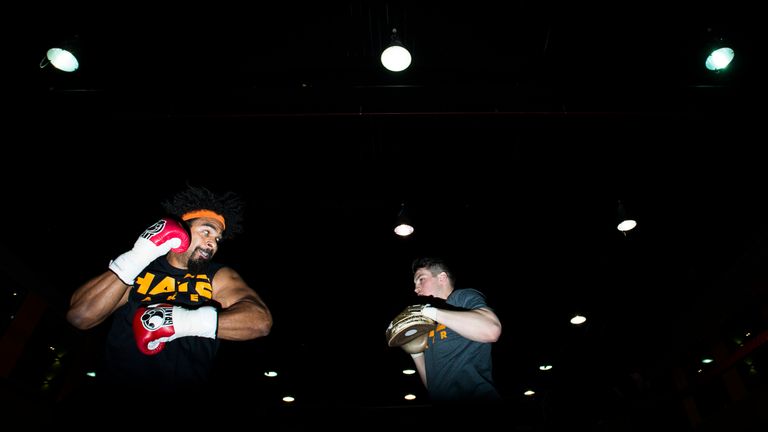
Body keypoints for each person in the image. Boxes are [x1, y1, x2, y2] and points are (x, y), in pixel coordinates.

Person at [66, 185, 272, 398]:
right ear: (181, 230)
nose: (212, 243)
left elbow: (259, 321)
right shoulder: (140, 268)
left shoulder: (217, 276)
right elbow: (80, 316)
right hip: (115, 393)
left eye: (218, 239)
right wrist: (138, 256)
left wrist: (180, 322)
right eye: (206, 232)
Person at [404, 256, 502, 403]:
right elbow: (433, 386)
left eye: (421, 279)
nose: (416, 288)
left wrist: (429, 312)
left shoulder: (461, 298)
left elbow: (491, 330)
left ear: (442, 278)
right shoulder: (429, 322)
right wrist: (416, 353)